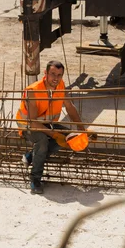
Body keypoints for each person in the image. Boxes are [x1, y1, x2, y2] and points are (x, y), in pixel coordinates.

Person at [16, 60, 86, 195]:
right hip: (28, 125)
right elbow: (33, 121)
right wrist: (54, 135)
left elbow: (70, 108)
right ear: (45, 74)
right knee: (42, 141)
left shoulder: (61, 86)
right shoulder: (33, 91)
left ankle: (31, 156)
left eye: (59, 75)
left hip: (47, 124)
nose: (56, 78)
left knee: (69, 137)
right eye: (53, 74)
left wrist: (81, 130)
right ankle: (35, 179)